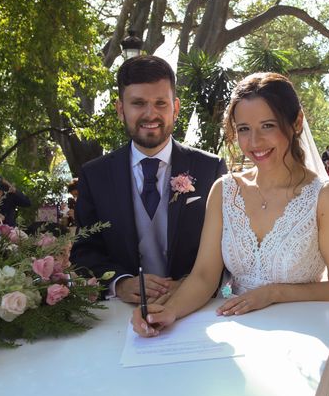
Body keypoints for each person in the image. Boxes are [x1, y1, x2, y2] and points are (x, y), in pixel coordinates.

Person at [131, 72, 329, 337]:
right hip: (237, 334)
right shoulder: (225, 190)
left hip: (301, 337)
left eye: (268, 126)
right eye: (244, 129)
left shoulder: (325, 197)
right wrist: (169, 312)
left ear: (296, 122)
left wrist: (273, 294)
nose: (254, 142)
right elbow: (204, 276)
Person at [70, 55, 227, 302]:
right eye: (138, 103)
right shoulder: (95, 175)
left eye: (160, 103)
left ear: (175, 108)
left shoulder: (211, 168)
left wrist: (194, 283)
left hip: (195, 309)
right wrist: (119, 284)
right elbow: (85, 251)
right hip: (121, 316)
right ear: (121, 110)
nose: (150, 114)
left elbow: (227, 248)